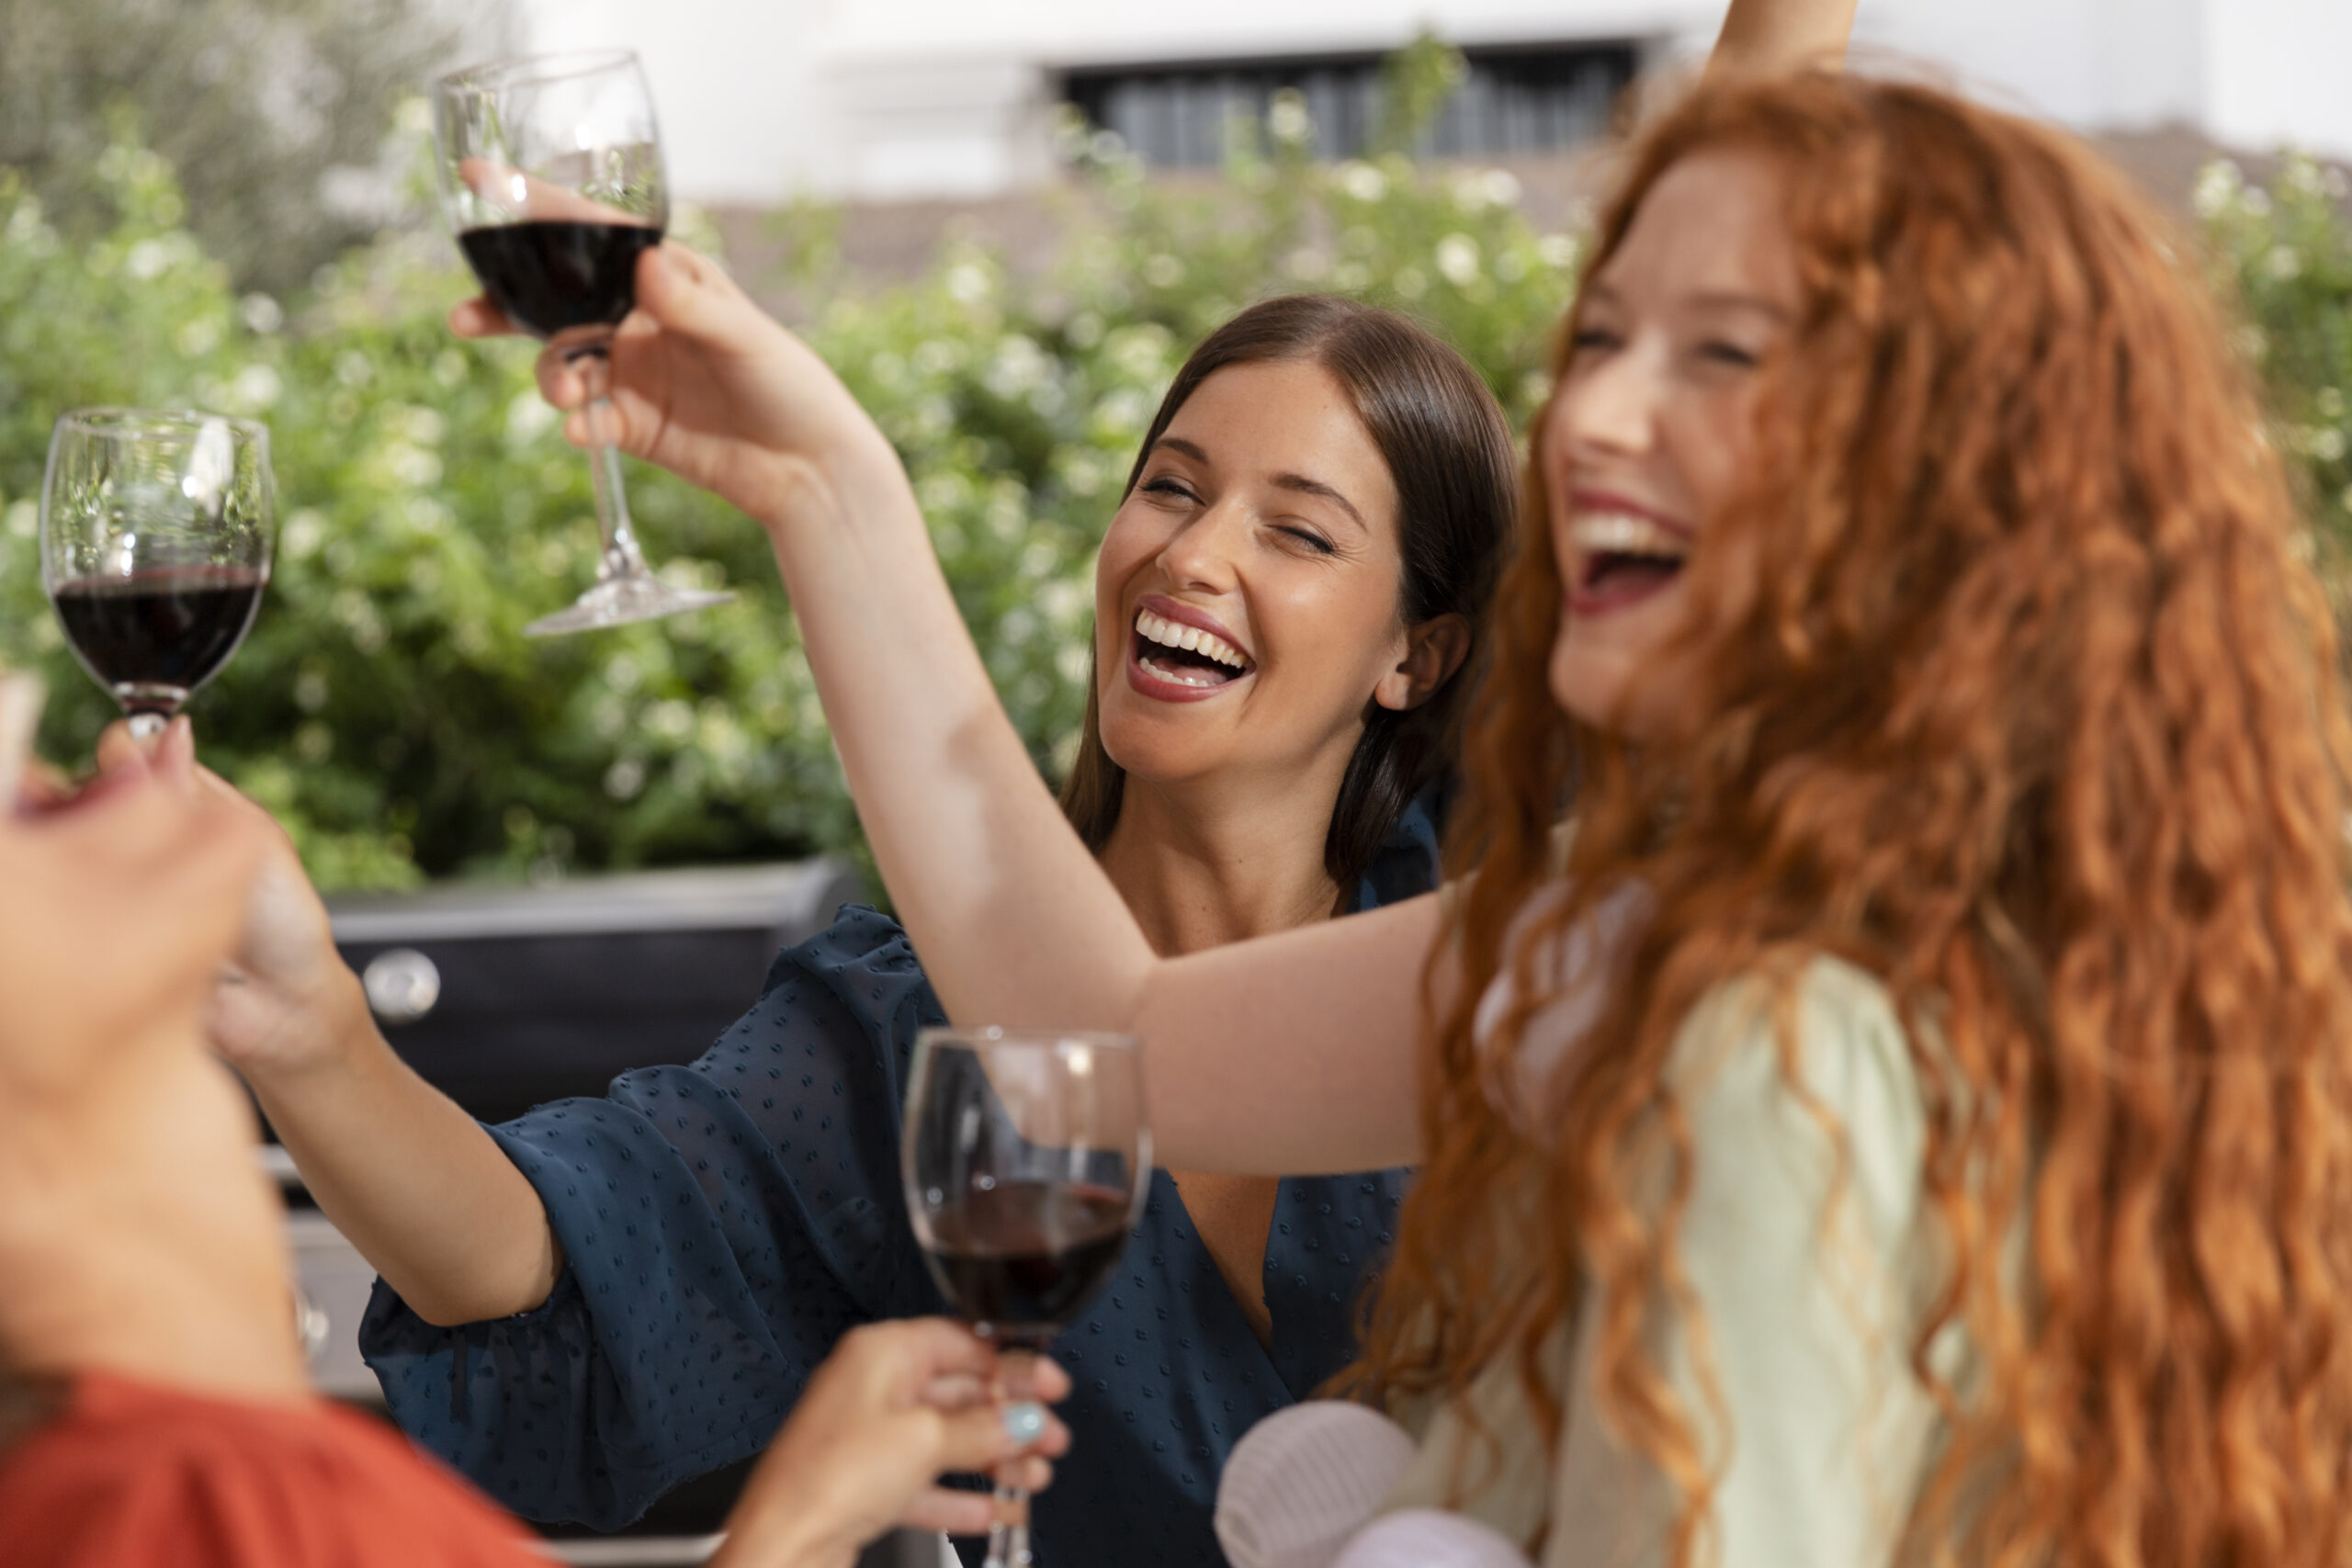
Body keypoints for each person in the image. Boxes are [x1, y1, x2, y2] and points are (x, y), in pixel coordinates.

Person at [485, 62, 2352, 1568]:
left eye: (1718, 355)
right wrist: (827, 487)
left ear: (1934, 468)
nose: (1596, 414)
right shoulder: (1634, 940)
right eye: (1600, 338)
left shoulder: (1789, 1042)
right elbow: (1110, 1037)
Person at [221, 286, 1514, 1567]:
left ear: (1420, 654)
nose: (1191, 554)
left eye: (1297, 531)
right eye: (1172, 488)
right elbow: (541, 1253)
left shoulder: (1496, 979)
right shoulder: (909, 1034)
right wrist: (312, 1036)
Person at [0, 698, 1072, 1568]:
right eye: (28, 803)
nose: (101, 784)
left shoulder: (182, 1488)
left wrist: (308, 1025)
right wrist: (793, 1534)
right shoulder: (204, 1507)